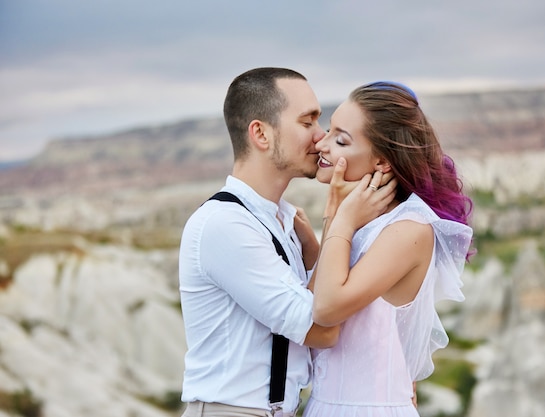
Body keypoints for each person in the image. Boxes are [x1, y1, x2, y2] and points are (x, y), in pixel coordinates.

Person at [178, 68, 395, 417]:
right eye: (307, 122)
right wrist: (339, 221)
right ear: (261, 134)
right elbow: (319, 329)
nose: (320, 136)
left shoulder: (285, 219)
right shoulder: (225, 224)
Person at [302, 81, 474, 417]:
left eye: (340, 140)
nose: (322, 144)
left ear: (381, 161)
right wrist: (337, 216)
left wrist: (341, 221)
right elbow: (311, 311)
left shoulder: (409, 229)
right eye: (328, 130)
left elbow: (327, 309)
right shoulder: (361, 222)